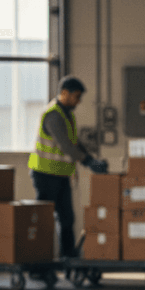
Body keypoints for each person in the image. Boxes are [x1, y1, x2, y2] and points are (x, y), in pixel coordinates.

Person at [28, 76, 107, 258]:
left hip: (60, 175)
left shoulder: (67, 114)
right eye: (76, 96)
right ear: (64, 93)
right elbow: (65, 145)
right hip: (45, 175)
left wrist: (91, 158)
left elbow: (74, 141)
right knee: (45, 221)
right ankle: (39, 260)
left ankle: (68, 256)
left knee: (67, 218)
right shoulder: (53, 115)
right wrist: (88, 162)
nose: (78, 101)